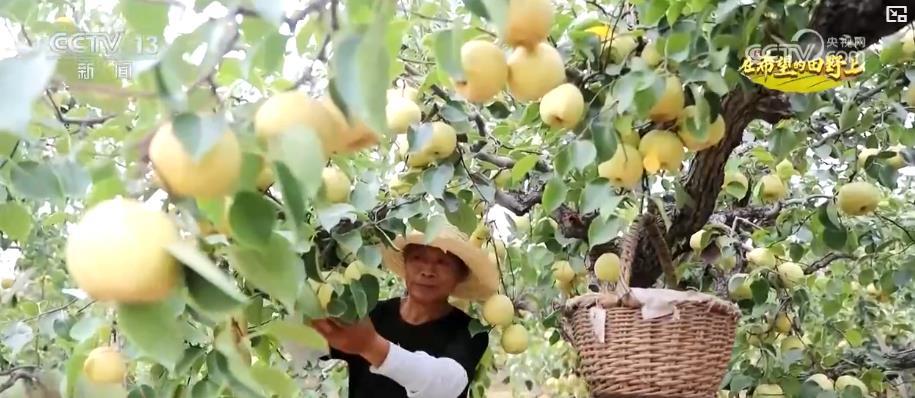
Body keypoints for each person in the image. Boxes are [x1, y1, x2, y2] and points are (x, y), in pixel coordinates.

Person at [312, 225, 501, 398]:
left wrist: (371, 346)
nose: (428, 271)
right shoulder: (372, 313)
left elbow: (446, 386)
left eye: (442, 262)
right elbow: (307, 346)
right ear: (405, 264)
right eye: (418, 258)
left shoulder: (468, 331)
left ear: (460, 275)